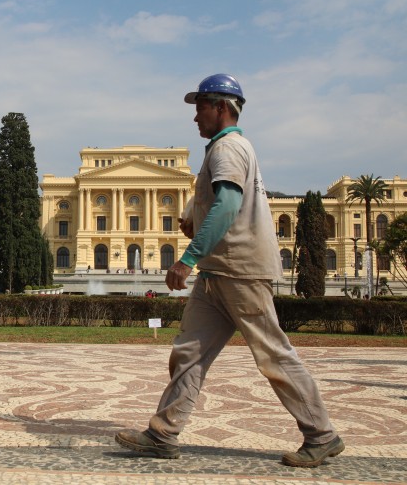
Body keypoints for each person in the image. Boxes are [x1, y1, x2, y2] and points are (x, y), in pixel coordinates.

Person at [114, 74, 343, 468]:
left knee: (272, 353)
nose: (195, 116)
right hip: (217, 273)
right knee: (188, 353)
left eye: (201, 107)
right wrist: (193, 216)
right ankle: (163, 433)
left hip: (240, 269)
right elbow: (217, 202)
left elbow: (228, 206)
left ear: (221, 107)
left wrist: (187, 258)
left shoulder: (229, 148)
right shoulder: (221, 150)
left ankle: (321, 435)